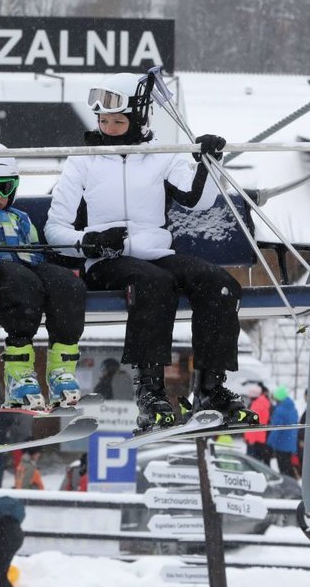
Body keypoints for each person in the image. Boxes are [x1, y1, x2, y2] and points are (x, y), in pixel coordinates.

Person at [44, 71, 258, 433]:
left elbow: (197, 200)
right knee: (154, 284)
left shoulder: (161, 156)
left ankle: (210, 387)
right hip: (107, 261)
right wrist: (89, 242)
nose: (109, 128)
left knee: (218, 283)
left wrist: (207, 162)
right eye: (103, 120)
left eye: (118, 120)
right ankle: (150, 391)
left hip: (156, 253)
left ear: (138, 119)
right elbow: (54, 231)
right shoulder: (83, 161)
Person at [0, 140, 87, 410]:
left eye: (7, 188)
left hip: (24, 265)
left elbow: (36, 250)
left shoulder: (21, 217)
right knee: (21, 283)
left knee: (67, 284)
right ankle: (18, 372)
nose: (0, 196)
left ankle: (61, 369)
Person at [267, 386, 299, 479]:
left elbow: (276, 429)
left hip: (281, 444)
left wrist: (270, 443)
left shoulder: (280, 410)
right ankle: (292, 483)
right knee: (288, 467)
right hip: (291, 443)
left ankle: (288, 487)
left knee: (283, 469)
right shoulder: (293, 408)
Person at [244, 383, 272, 464]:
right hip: (261, 437)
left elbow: (253, 425)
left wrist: (251, 440)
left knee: (251, 464)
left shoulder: (256, 406)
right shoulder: (263, 402)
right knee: (258, 462)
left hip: (254, 439)